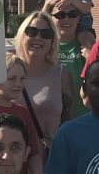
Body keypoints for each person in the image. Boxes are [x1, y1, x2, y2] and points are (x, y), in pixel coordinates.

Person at [13, 10, 73, 151]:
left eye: (46, 34)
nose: (38, 38)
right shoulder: (3, 71)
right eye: (32, 32)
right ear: (22, 35)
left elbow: (69, 124)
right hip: (10, 161)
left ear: (52, 41)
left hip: (48, 160)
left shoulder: (61, 76)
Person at [48, 0, 88, 118]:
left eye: (72, 15)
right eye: (60, 15)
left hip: (81, 120)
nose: (66, 19)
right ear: (50, 18)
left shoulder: (87, 47)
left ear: (79, 18)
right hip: (49, 123)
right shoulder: (43, 48)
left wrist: (92, 59)